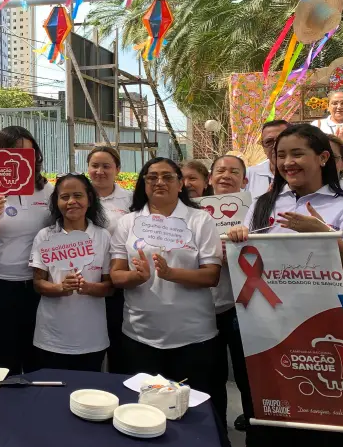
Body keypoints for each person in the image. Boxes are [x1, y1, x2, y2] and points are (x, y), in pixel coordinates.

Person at [228, 124, 343, 447]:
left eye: (297, 153)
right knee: (273, 422)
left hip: (335, 334)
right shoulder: (264, 203)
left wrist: (325, 236)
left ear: (324, 157)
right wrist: (240, 238)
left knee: (334, 433)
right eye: (281, 155)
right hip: (273, 334)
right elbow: (254, 263)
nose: (287, 162)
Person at [110, 158, 222, 397]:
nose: (159, 182)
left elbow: (212, 275)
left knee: (196, 409)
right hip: (140, 335)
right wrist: (136, 277)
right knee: (144, 409)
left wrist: (172, 274)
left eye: (168, 177)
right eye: (152, 177)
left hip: (192, 336)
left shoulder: (200, 220)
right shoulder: (128, 222)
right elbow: (116, 276)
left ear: (180, 184)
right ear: (144, 183)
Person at [0, 126, 53, 375]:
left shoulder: (48, 191)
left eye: (28, 153)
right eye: (14, 152)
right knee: (2, 360)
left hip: (37, 286)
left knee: (35, 358)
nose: (21, 159)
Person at [30, 174, 112, 371]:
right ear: (56, 201)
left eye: (78, 195)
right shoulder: (46, 235)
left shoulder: (102, 236)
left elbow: (110, 287)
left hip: (92, 339)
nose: (71, 202)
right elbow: (38, 283)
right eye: (64, 197)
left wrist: (90, 287)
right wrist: (60, 287)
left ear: (89, 199)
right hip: (51, 337)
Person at [206, 155, 252, 435]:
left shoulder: (256, 212)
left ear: (245, 181)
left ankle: (256, 444)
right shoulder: (194, 212)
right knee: (211, 379)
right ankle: (216, 439)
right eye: (220, 171)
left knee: (249, 378)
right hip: (203, 309)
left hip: (245, 306)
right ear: (210, 178)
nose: (226, 175)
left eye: (234, 172)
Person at [87, 145, 131, 373]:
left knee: (118, 344)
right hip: (84, 281)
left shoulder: (130, 199)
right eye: (95, 166)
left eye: (106, 166)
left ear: (117, 169)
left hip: (115, 280)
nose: (100, 171)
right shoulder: (79, 195)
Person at [245, 120, 289, 200]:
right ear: (263, 147)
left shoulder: (307, 175)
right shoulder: (248, 175)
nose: (275, 146)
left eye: (281, 140)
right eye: (269, 142)